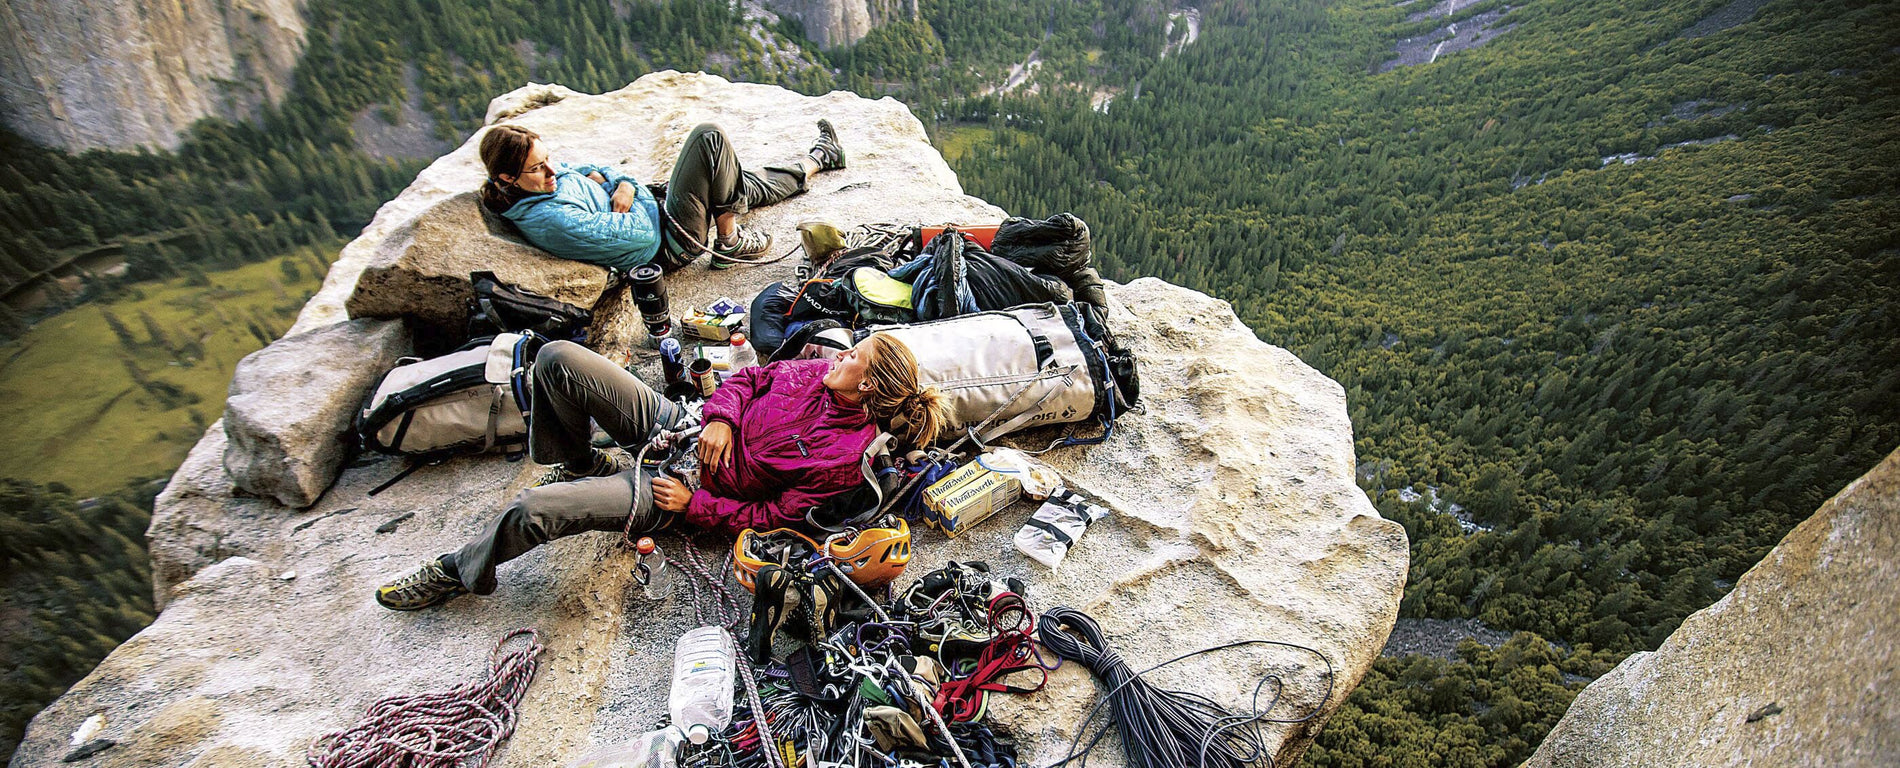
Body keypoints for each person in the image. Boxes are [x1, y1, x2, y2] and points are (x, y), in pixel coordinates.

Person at [374, 335, 948, 611]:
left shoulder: (841, 460)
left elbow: (772, 519)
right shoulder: (818, 371)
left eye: (855, 358)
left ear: (868, 387)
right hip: (685, 426)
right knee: (556, 360)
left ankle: (457, 570)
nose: (841, 354)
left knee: (532, 511)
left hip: (684, 488)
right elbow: (751, 380)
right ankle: (582, 462)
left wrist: (692, 508)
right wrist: (720, 420)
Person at [478, 120, 847, 273]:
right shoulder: (552, 220)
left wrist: (620, 184)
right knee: (709, 139)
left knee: (736, 183)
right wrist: (630, 187)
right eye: (538, 168)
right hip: (671, 240)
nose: (552, 171)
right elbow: (640, 235)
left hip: (656, 208)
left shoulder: (544, 179)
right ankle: (730, 241)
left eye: (548, 160)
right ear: (508, 177)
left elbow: (592, 168)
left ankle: (819, 158)